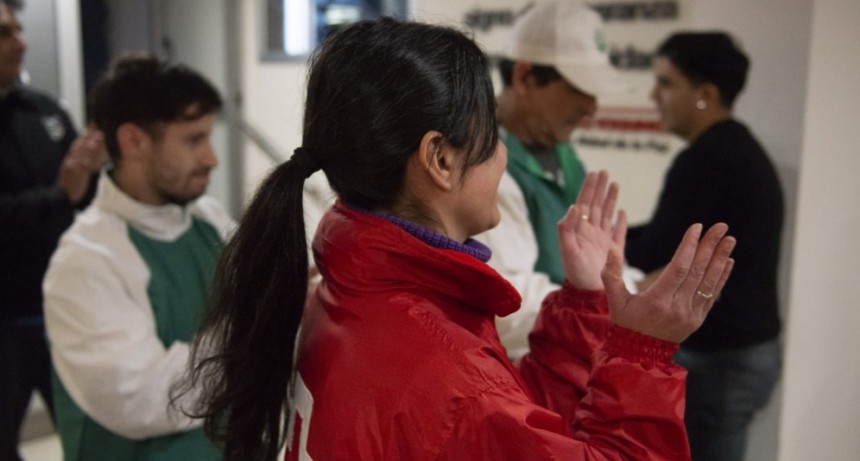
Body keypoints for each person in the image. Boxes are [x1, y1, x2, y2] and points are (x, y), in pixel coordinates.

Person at [180, 18, 738, 461]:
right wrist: (642, 355)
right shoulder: (439, 365)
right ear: (440, 160)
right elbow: (474, 408)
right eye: (491, 136)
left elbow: (507, 424)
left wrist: (583, 300)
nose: (503, 156)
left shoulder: (349, 290)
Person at [42, 54, 232, 461]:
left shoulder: (209, 221)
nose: (211, 159)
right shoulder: (85, 259)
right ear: (133, 142)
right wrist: (256, 336)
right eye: (193, 140)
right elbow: (145, 397)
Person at [625, 32, 784, 461]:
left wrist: (600, 245)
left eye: (666, 83)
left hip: (721, 360)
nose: (653, 95)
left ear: (706, 95)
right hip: (744, 354)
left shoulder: (707, 159)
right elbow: (669, 235)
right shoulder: (737, 149)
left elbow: (656, 249)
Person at [476, 0, 632, 358]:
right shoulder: (483, 162)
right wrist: (618, 301)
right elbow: (509, 304)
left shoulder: (564, 156)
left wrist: (632, 286)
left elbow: (595, 260)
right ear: (525, 77)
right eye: (579, 89)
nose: (591, 107)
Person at [0, 1, 104, 459]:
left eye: (18, 30)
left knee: (88, 437)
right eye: (4, 33)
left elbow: (83, 195)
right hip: (6, 323)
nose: (20, 43)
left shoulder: (44, 110)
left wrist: (90, 172)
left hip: (62, 313)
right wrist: (60, 195)